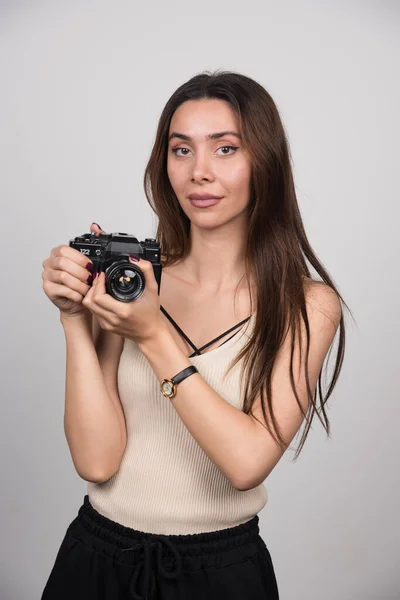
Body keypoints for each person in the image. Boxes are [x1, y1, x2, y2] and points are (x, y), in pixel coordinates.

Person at [40, 70, 349, 600]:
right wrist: (74, 317)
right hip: (95, 558)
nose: (199, 172)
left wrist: (154, 335)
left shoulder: (308, 306)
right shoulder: (134, 280)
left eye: (225, 149)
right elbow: (96, 463)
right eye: (181, 150)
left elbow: (247, 463)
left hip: (221, 572)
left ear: (264, 162)